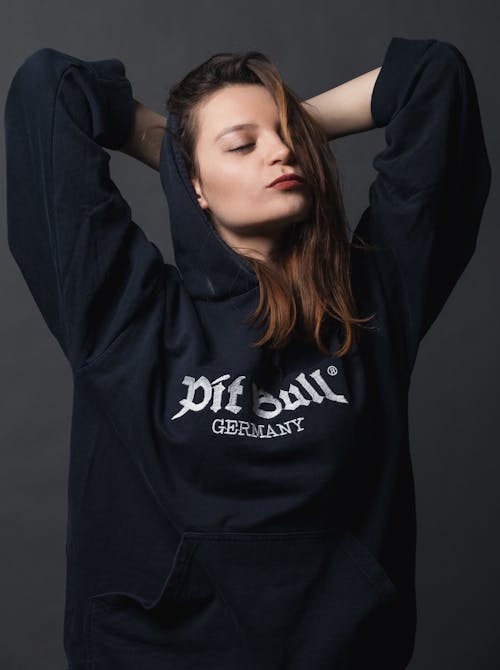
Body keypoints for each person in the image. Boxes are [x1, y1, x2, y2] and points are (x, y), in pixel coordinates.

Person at [4, 36, 491, 669]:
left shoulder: (369, 304)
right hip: (152, 653)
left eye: (287, 136)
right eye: (242, 144)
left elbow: (436, 80)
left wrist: (294, 128)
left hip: (342, 650)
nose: (283, 150)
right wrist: (175, 147)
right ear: (195, 186)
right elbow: (49, 89)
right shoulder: (125, 316)